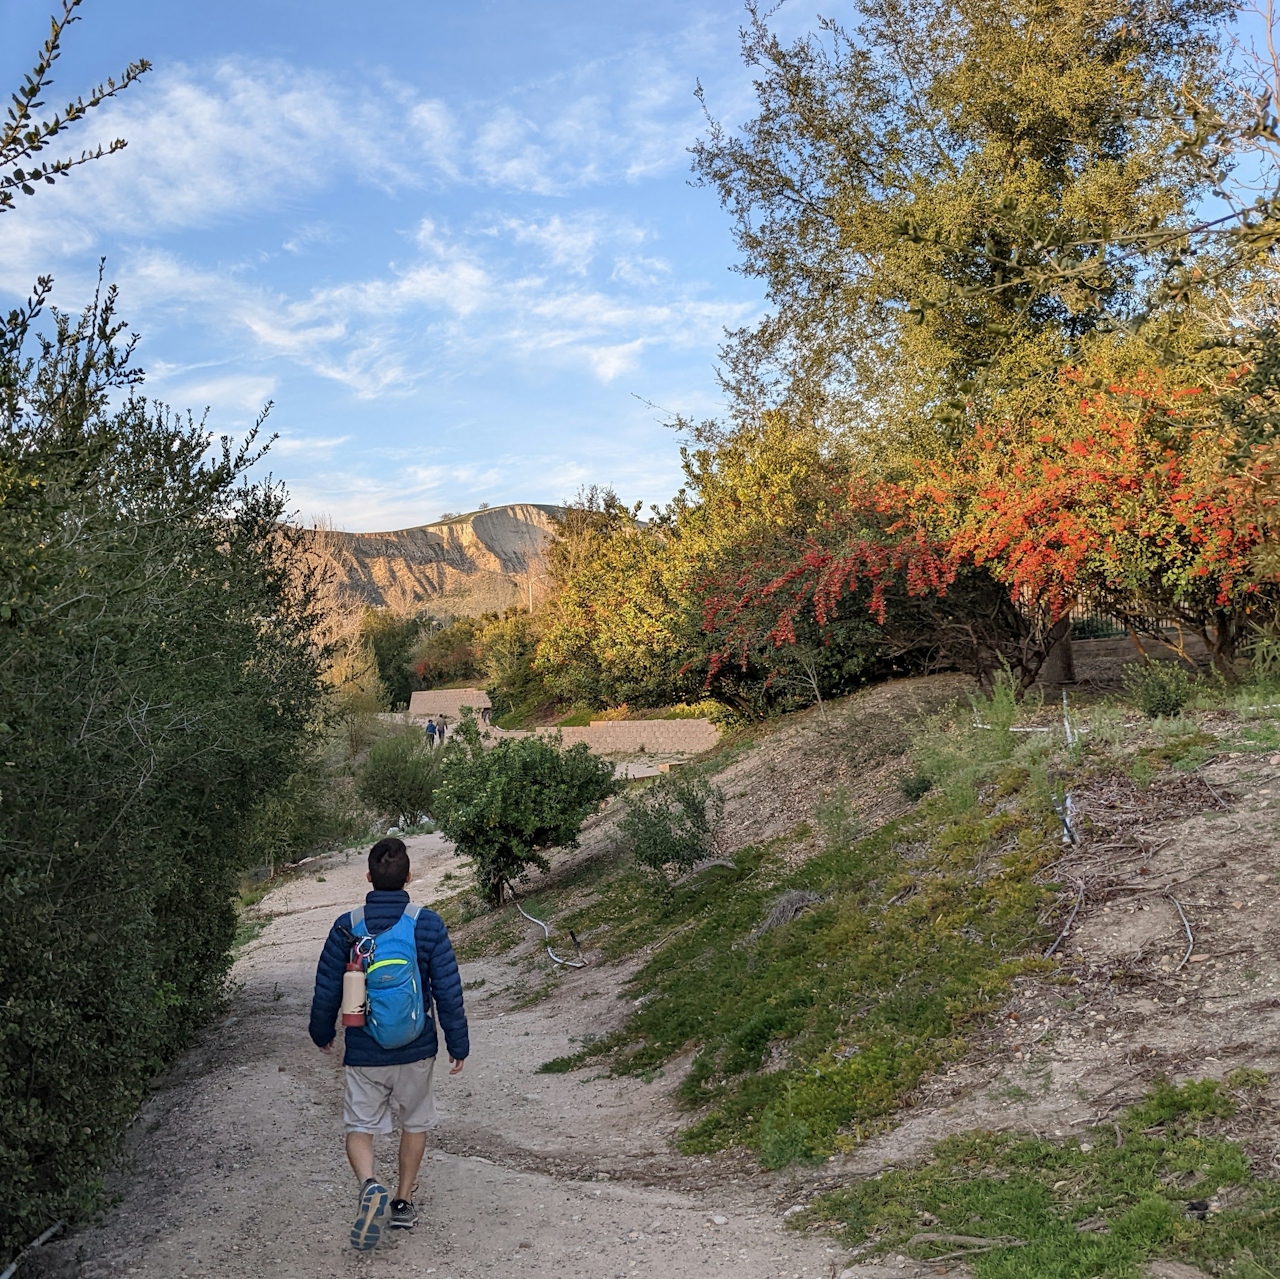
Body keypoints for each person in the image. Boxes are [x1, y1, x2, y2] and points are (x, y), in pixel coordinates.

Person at [309, 837, 469, 1250]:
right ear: (408, 878)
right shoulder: (427, 924)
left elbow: (328, 986)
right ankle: (401, 1202)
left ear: (368, 878)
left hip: (364, 1049)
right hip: (416, 1047)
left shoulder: (347, 925)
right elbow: (448, 990)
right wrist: (458, 1043)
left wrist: (322, 1033)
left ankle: (369, 1185)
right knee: (415, 1121)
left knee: (360, 1127)